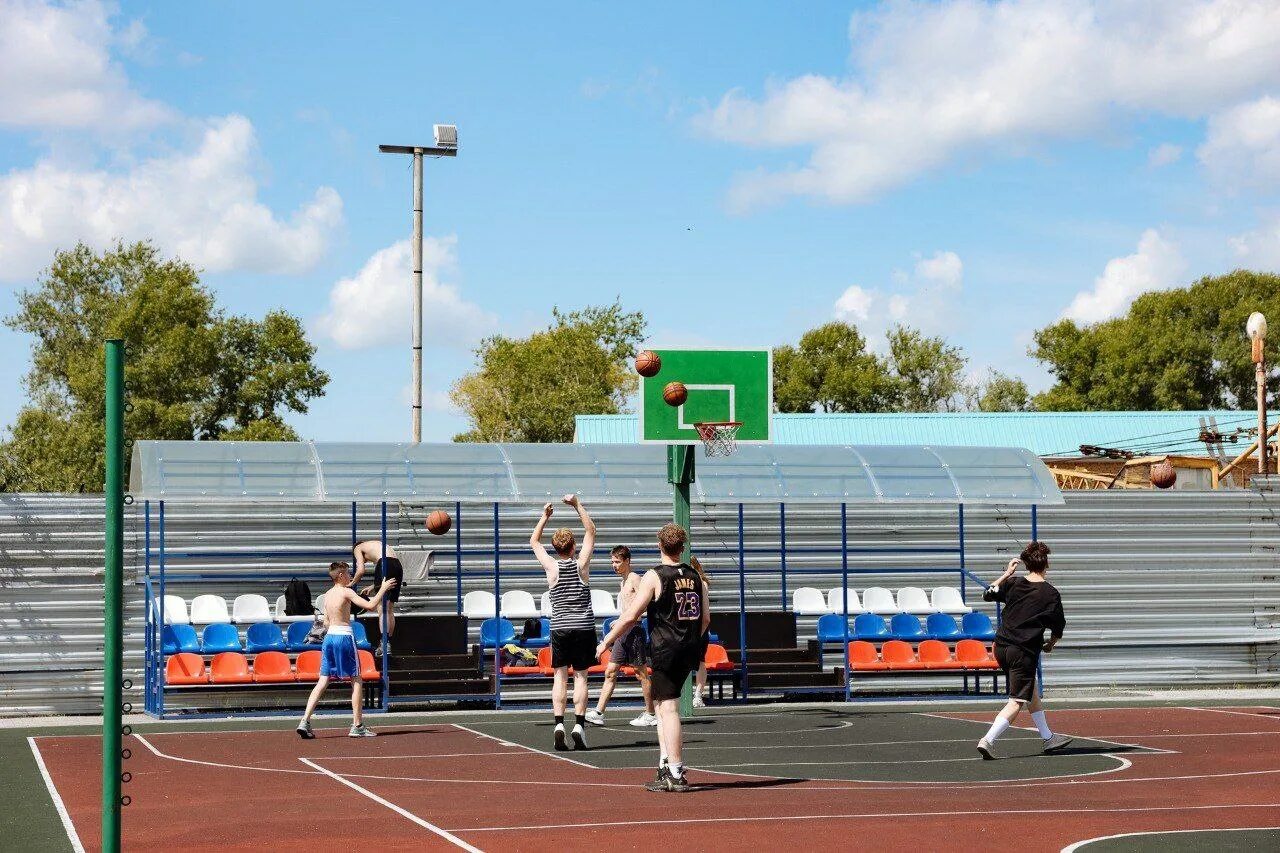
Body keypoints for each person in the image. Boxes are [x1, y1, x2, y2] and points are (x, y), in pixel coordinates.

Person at [598, 522, 709, 793]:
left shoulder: (654, 576)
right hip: (689, 646)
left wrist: (606, 641)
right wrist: (690, 638)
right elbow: (705, 618)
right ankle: (665, 763)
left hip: (666, 648)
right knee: (660, 706)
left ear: (660, 545)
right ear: (682, 548)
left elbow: (631, 615)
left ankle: (676, 771)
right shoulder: (696, 576)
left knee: (668, 708)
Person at [975, 541, 1072, 759]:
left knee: (1031, 691)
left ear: (1025, 564)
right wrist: (1051, 644)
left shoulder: (1013, 583)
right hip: (1023, 651)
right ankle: (988, 740)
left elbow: (987, 594)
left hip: (1001, 647)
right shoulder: (1050, 594)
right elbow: (1058, 627)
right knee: (1017, 700)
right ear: (1046, 563)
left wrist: (1007, 573)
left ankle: (1048, 738)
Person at [297, 562, 396, 739]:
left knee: (323, 680)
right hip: (344, 637)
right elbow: (372, 605)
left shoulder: (327, 595)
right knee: (357, 679)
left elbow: (326, 622)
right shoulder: (346, 591)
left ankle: (305, 720)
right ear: (341, 575)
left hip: (329, 638)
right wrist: (384, 588)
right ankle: (357, 725)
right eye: (348, 573)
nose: (351, 576)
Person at [530, 494, 597, 751]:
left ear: (557, 548)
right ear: (573, 546)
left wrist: (544, 517)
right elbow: (591, 530)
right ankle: (579, 725)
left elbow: (534, 541)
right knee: (581, 677)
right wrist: (577, 504)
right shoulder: (581, 565)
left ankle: (559, 723)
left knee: (560, 677)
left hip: (560, 626)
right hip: (583, 626)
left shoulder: (552, 568)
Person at [585, 546, 657, 728]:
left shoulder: (634, 579)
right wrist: (619, 620)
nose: (614, 565)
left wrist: (630, 619)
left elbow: (646, 603)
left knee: (641, 674)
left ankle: (650, 713)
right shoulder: (623, 581)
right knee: (610, 671)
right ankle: (599, 712)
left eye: (617, 562)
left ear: (627, 561)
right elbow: (628, 607)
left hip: (634, 632)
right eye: (612, 562)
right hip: (623, 632)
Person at [353, 540, 402, 656]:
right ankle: (387, 643)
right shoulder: (376, 545)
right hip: (397, 565)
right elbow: (389, 570)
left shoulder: (357, 548)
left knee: (382, 609)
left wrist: (351, 583)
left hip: (385, 564)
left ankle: (384, 644)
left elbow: (360, 570)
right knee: (389, 609)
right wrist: (373, 587)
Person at [690, 556, 711, 709]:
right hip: (685, 626)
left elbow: (704, 612)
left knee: (700, 661)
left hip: (698, 626)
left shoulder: (701, 584)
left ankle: (698, 694)